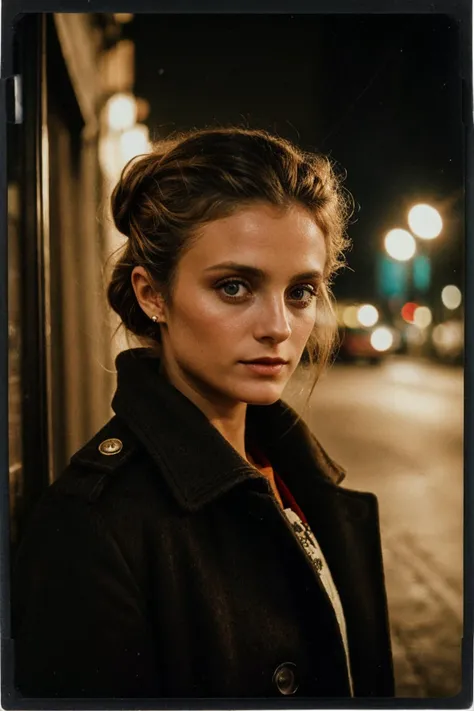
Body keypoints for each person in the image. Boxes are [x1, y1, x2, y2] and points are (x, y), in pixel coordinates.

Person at [12, 127, 394, 699]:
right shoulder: (92, 526)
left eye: (300, 292)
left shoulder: (299, 477)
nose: (279, 328)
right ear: (152, 294)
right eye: (235, 287)